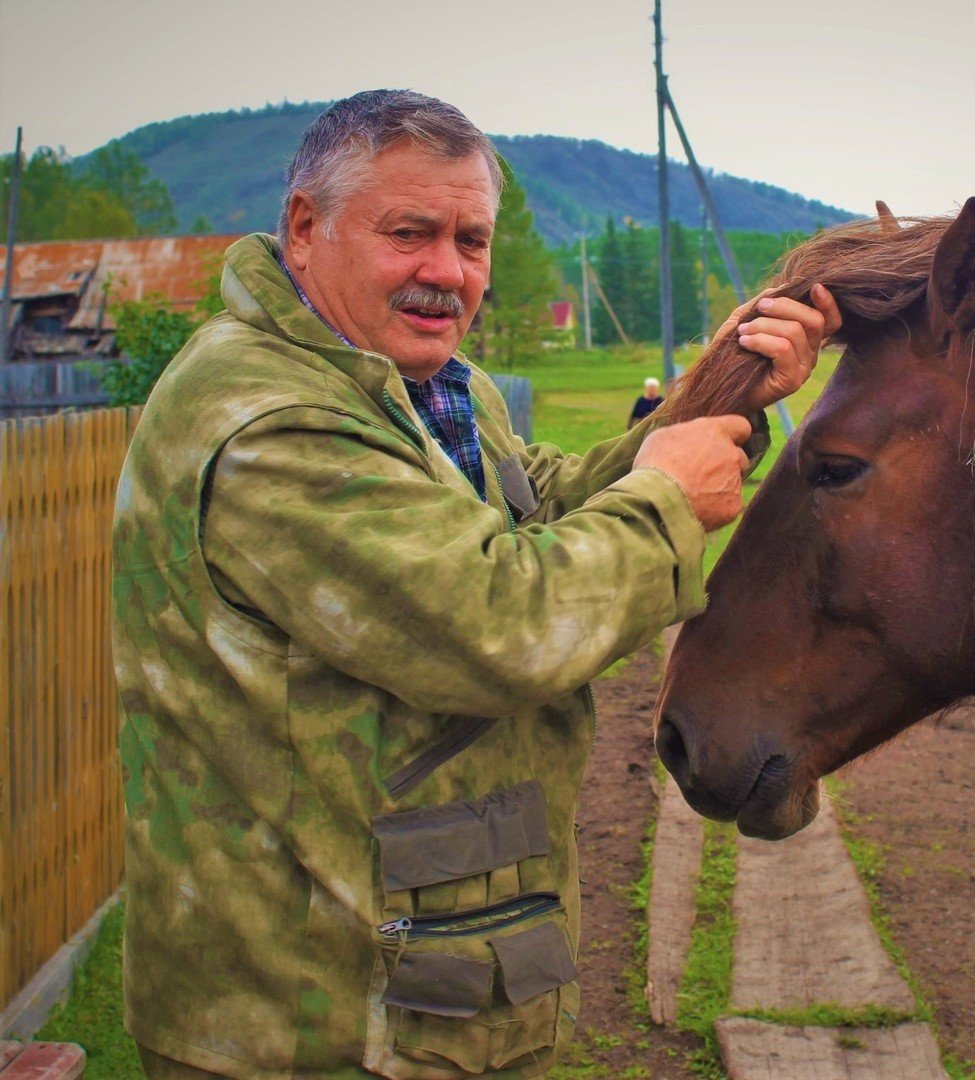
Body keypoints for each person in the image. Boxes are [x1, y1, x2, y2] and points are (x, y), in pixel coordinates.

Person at [111, 89, 839, 1080]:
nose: (446, 273)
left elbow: (540, 505)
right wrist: (670, 504)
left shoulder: (428, 384)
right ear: (305, 228)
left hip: (432, 973)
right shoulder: (266, 419)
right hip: (308, 1024)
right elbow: (497, 620)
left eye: (472, 240)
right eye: (409, 233)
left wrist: (723, 389)